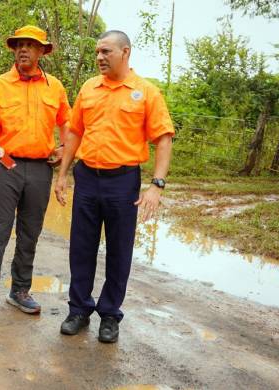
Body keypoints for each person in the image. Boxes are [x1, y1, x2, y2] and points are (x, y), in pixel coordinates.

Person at [55, 31, 174, 343]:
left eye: (106, 51)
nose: (99, 57)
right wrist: (63, 174)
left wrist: (156, 185)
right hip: (87, 178)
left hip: (123, 181)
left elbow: (163, 137)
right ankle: (79, 309)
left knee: (119, 250)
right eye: (97, 52)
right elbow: (74, 133)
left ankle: (109, 315)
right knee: (81, 246)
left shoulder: (146, 92)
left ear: (125, 52)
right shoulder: (88, 89)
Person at [0, 25, 71, 317]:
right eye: (19, 45)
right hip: (6, 164)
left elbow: (67, 122)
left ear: (42, 51)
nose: (24, 49)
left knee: (30, 232)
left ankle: (20, 291)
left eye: (31, 45)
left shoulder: (55, 87)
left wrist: (65, 147)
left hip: (41, 168)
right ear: (14, 50)